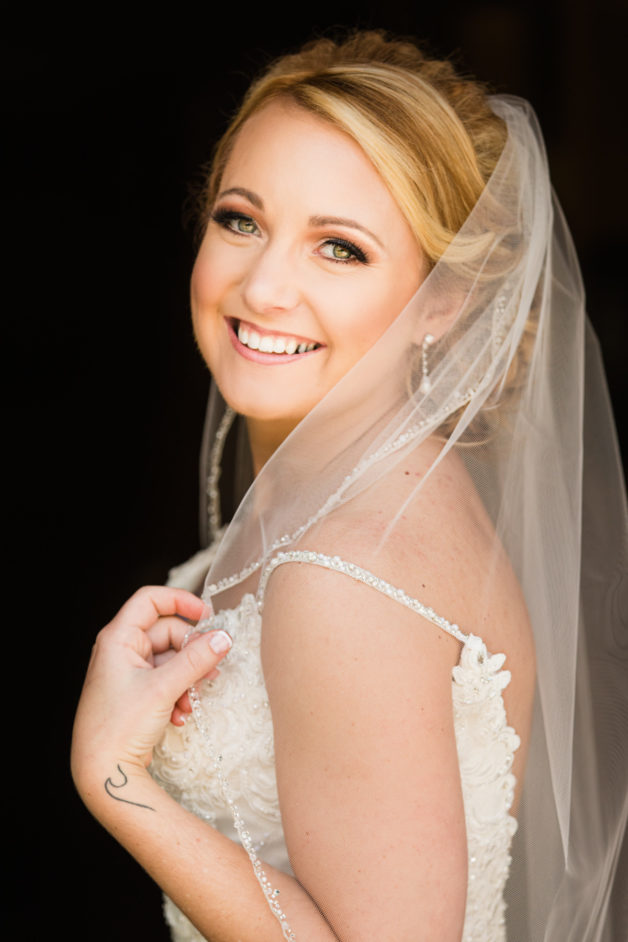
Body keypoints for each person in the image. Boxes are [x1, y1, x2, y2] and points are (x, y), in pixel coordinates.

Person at [71, 31, 627, 941]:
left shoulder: (345, 576)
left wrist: (113, 777)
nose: (264, 286)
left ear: (444, 302)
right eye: (240, 220)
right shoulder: (382, 481)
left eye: (341, 249)